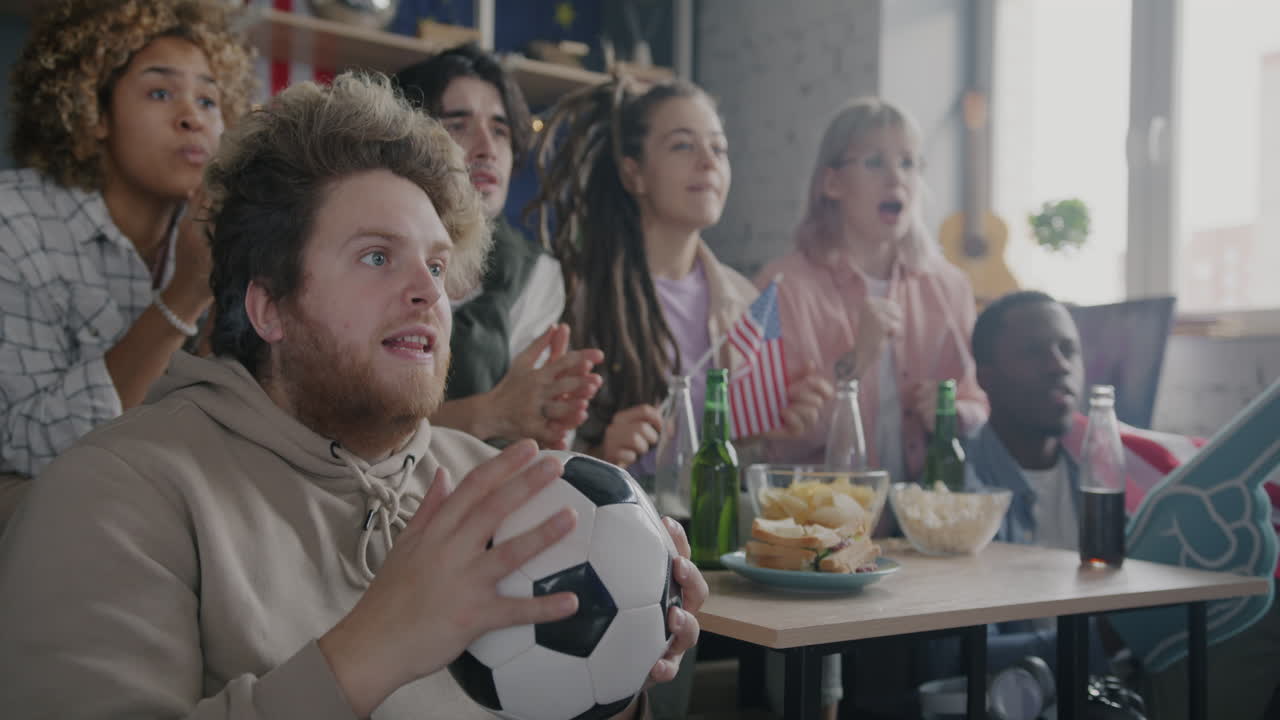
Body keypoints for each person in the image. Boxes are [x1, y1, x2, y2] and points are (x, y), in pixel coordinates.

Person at [0, 72, 706, 719]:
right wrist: (373, 649)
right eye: (376, 256)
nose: (428, 290)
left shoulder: (497, 485)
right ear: (268, 307)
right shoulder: (113, 494)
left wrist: (617, 666)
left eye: (436, 263)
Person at [965, 290, 1280, 719]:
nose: (1059, 365)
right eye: (1034, 351)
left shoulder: (1110, 473)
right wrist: (1107, 635)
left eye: (1068, 349)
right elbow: (959, 662)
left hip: (1130, 678)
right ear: (987, 376)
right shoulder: (959, 498)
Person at [0, 0, 254, 522]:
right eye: (160, 93)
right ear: (92, 113)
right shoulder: (13, 224)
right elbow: (32, 447)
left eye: (209, 100)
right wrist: (185, 294)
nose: (192, 118)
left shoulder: (212, 232)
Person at [529, 77, 831, 474]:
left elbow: (732, 456)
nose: (708, 161)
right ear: (633, 174)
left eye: (719, 148)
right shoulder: (573, 293)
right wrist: (600, 454)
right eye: (683, 145)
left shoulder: (741, 298)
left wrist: (780, 418)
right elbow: (530, 446)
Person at [755, 97, 987, 488]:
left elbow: (980, 404)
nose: (896, 179)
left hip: (926, 530)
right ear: (832, 183)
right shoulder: (783, 287)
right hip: (823, 528)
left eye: (908, 163)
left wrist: (954, 413)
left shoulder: (951, 286)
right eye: (875, 162)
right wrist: (856, 359)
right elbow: (780, 446)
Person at [392, 45, 602, 450]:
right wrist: (489, 412)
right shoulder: (367, 251)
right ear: (408, 138)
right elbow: (346, 428)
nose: (487, 148)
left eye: (500, 130)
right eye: (458, 125)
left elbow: (532, 426)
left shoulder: (536, 273)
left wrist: (549, 417)